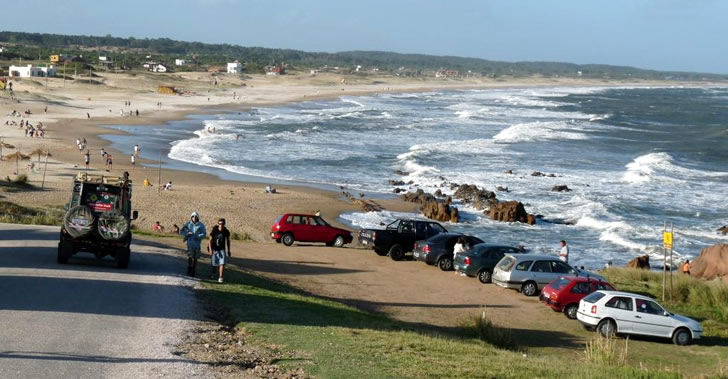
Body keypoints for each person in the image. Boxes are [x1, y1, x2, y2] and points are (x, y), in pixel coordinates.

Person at [180, 211, 207, 276]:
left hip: (197, 244)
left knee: (196, 258)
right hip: (190, 244)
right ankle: (189, 268)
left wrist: (197, 236)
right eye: (193, 216)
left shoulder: (201, 225)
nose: (194, 218)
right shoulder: (188, 224)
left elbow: (204, 234)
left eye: (195, 216)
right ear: (191, 217)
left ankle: (193, 270)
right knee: (190, 257)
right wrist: (187, 234)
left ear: (197, 217)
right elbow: (181, 231)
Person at [209, 218, 231, 283]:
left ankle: (220, 277)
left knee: (222, 263)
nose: (221, 225)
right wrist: (210, 250)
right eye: (220, 223)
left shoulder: (226, 231)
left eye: (222, 224)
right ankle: (214, 272)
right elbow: (210, 240)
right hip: (215, 249)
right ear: (218, 224)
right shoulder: (214, 231)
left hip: (222, 249)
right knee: (214, 264)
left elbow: (228, 241)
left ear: (224, 224)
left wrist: (229, 250)